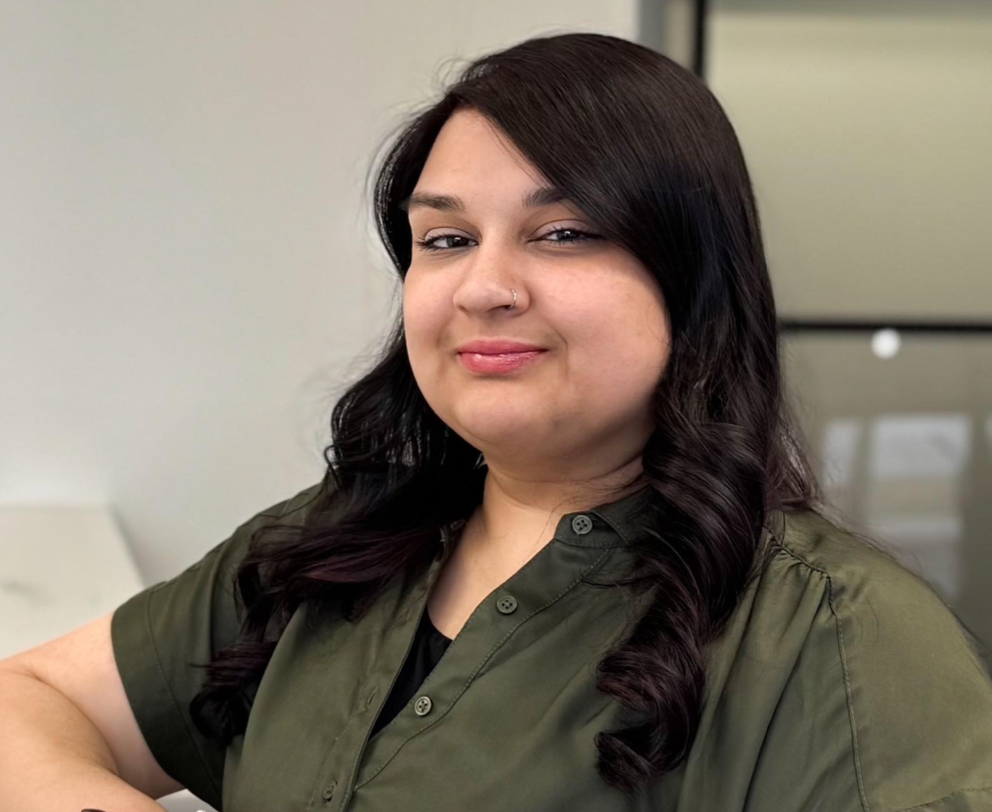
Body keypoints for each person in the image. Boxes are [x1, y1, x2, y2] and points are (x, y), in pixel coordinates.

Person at [2, 31, 991, 812]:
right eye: (445, 238)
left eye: (560, 233)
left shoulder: (841, 637)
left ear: (690, 276)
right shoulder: (334, 546)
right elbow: (27, 702)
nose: (482, 285)